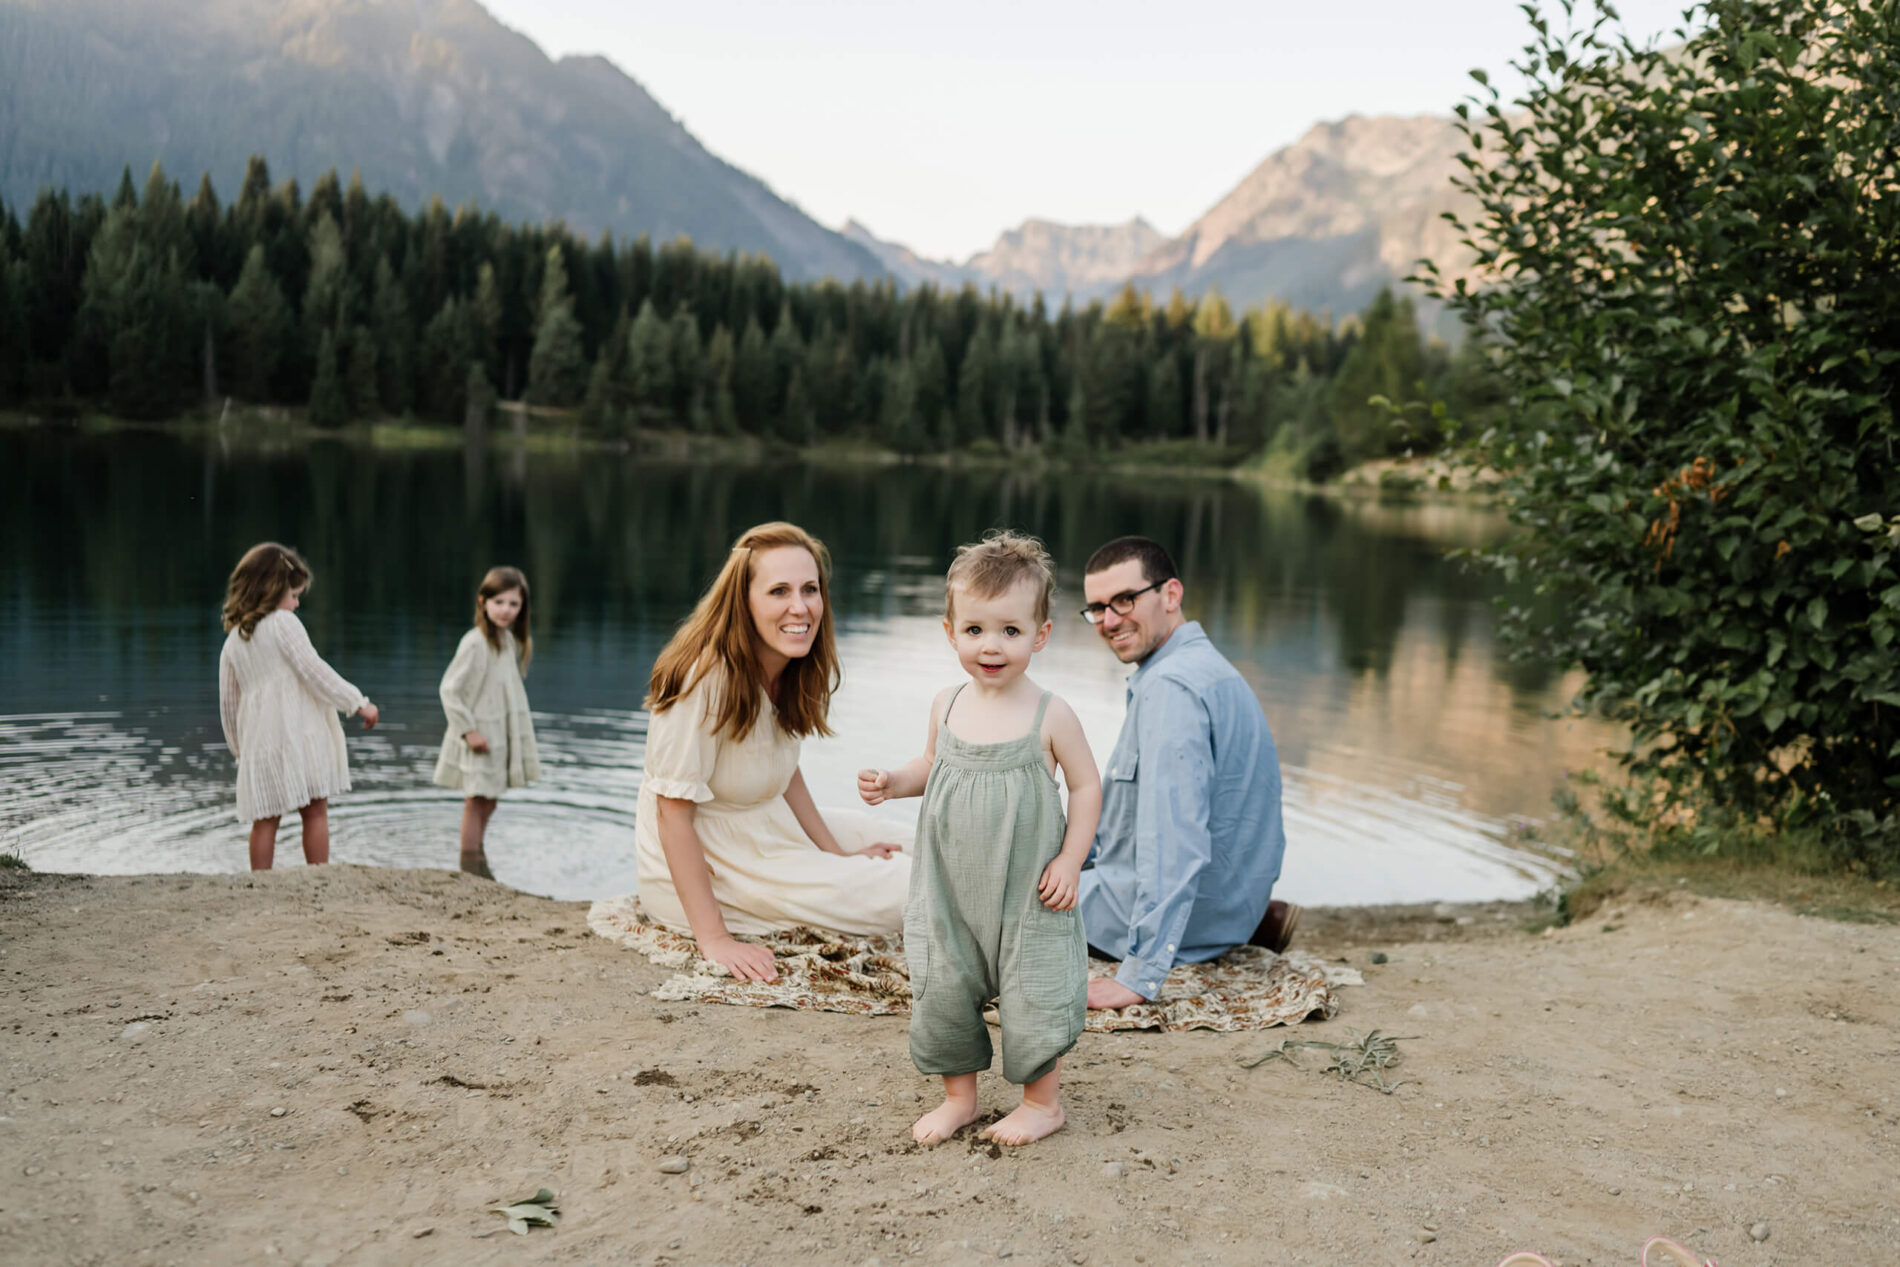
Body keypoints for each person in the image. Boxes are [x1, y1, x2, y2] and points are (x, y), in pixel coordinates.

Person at [859, 531, 1102, 1147]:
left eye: (1010, 631)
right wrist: (893, 781)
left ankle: (1042, 1104)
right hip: (949, 885)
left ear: (1040, 635)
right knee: (942, 981)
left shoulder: (1052, 714)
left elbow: (1087, 787)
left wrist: (1072, 861)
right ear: (950, 632)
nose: (990, 646)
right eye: (975, 630)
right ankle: (960, 1097)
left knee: (1035, 987)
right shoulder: (947, 703)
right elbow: (930, 765)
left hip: (1028, 889)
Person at [634, 522, 909, 983]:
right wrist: (715, 939)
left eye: (810, 589)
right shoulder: (703, 678)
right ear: (742, 601)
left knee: (919, 844)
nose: (799, 607)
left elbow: (784, 770)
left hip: (766, 827)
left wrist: (836, 853)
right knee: (914, 889)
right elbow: (671, 815)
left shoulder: (790, 669)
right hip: (716, 864)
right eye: (778, 591)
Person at [1075, 536, 1296, 1011]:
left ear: (1170, 595)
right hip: (1226, 905)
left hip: (1169, 915)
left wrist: (1140, 975)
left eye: (1124, 600)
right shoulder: (1204, 668)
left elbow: (1172, 842)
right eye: (1097, 608)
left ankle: (1203, 937)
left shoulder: (1172, 690)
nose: (1109, 620)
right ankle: (1247, 922)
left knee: (984, 885)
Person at [218, 542, 379, 871]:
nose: (295, 604)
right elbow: (315, 671)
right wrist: (357, 702)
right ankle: (318, 875)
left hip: (261, 744)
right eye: (293, 596)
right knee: (316, 809)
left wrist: (240, 749)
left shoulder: (233, 640)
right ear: (272, 590)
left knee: (265, 819)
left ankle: (259, 883)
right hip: (300, 733)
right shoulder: (283, 624)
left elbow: (228, 703)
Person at [434, 566, 541, 878]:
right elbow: (449, 690)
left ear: (522, 607)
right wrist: (469, 731)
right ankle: (470, 865)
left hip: (499, 736)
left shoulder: (508, 641)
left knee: (490, 800)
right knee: (476, 800)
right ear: (483, 602)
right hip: (479, 736)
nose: (506, 610)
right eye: (499, 602)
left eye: (513, 604)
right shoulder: (475, 642)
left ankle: (477, 855)